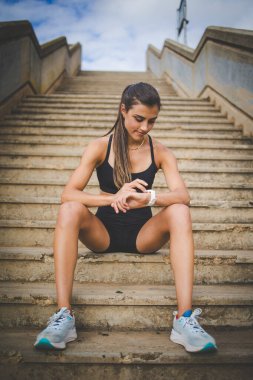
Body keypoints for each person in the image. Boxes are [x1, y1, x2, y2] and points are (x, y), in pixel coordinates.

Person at [34, 82, 218, 353]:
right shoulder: (99, 147)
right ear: (123, 110)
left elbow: (182, 195)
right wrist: (113, 197)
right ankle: (64, 316)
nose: (145, 127)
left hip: (144, 235)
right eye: (139, 118)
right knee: (69, 209)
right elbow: (68, 193)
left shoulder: (161, 152)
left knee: (179, 211)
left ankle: (185, 319)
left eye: (152, 121)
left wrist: (149, 198)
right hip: (103, 233)